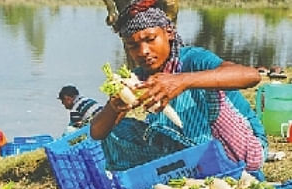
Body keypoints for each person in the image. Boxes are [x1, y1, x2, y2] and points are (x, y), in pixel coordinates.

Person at [91, 0, 267, 172]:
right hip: (189, 153)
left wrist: (182, 81)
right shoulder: (139, 77)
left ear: (169, 33)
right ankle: (186, 170)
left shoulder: (194, 60)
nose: (143, 51)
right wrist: (113, 108)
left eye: (151, 39)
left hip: (242, 152)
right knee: (117, 130)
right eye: (133, 45)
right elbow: (97, 133)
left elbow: (251, 76)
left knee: (197, 90)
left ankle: (211, 166)